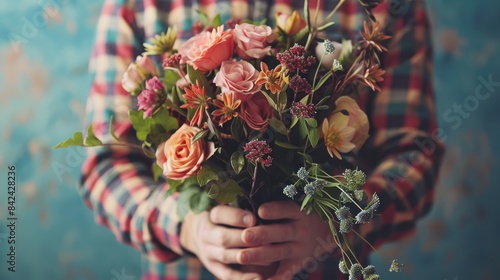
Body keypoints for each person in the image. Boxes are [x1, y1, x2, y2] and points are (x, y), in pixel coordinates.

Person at [79, 0, 445, 279]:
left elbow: (415, 154)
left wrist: (341, 219)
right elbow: (106, 164)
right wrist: (182, 225)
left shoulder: (388, 8)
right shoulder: (137, 6)